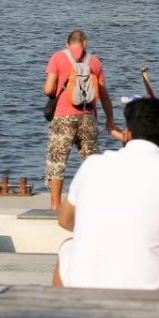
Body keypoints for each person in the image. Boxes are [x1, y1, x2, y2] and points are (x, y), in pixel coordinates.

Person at [54, 97, 159, 291]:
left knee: (67, 247)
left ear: (126, 134)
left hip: (87, 286)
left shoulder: (93, 164)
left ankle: (62, 311)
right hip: (153, 290)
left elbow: (65, 221)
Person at [42, 30, 116, 210]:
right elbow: (103, 95)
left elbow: (48, 89)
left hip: (63, 117)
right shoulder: (94, 62)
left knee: (57, 161)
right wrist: (110, 120)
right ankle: (97, 204)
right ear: (85, 43)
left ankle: (55, 206)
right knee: (92, 161)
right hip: (87, 116)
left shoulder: (58, 58)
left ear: (67, 44)